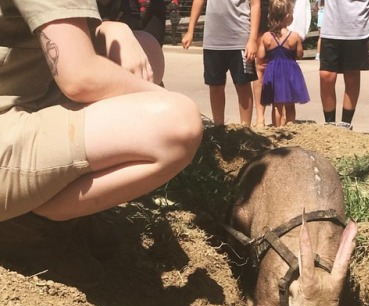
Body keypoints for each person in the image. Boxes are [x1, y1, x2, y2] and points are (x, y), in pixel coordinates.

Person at [0, 0, 202, 286]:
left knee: (144, 47)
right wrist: (162, 97)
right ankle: (26, 226)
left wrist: (112, 27)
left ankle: (55, 212)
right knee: (179, 124)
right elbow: (80, 77)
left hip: (21, 107)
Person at [182, 0, 261, 126]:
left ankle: (246, 129)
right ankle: (219, 127)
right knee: (215, 86)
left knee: (243, 85)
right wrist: (190, 30)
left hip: (240, 39)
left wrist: (252, 39)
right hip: (213, 41)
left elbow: (255, 4)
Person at [319, 0, 369, 130]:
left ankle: (346, 123)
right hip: (331, 27)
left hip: (358, 28)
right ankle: (329, 124)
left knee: (352, 75)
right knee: (326, 76)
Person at [258, 0, 310, 126]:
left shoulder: (266, 37)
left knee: (277, 105)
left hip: (273, 71)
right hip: (290, 72)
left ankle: (277, 128)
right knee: (290, 104)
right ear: (287, 16)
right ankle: (290, 126)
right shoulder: (294, 36)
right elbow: (299, 54)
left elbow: (261, 56)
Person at [254, 0, 271, 127]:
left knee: (280, 66)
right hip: (261, 10)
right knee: (261, 66)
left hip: (280, 10)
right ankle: (260, 117)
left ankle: (280, 115)